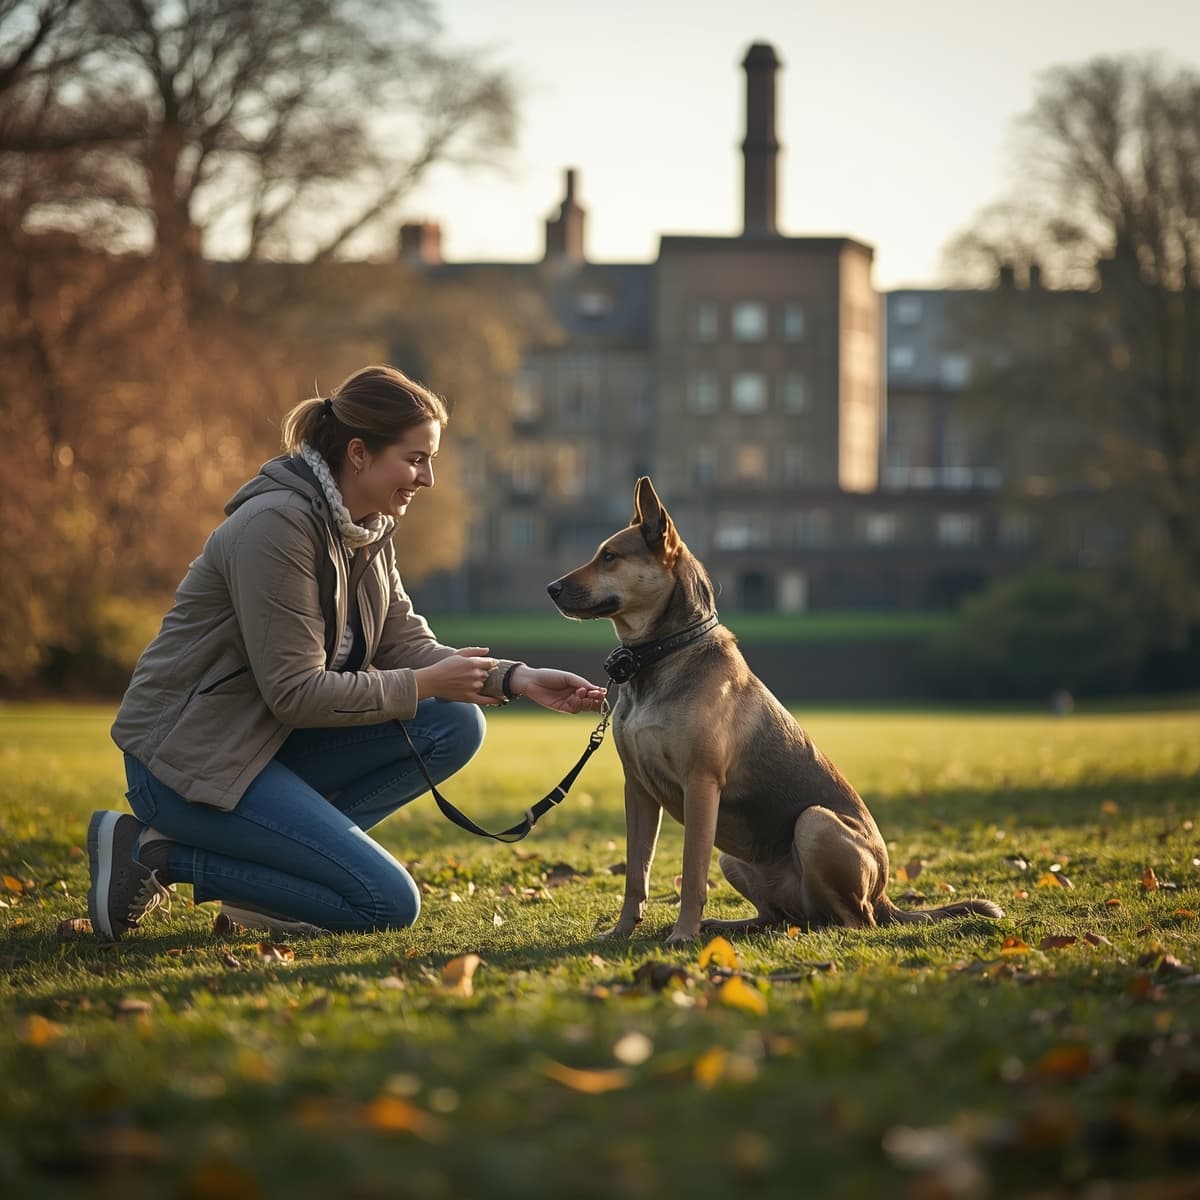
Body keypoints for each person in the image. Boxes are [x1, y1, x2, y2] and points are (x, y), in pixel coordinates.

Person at [87, 364, 606, 941]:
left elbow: (404, 643)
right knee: (384, 904)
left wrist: (516, 678)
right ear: (358, 454)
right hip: (189, 766)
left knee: (456, 723)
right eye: (415, 459)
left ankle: (274, 883)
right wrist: (426, 685)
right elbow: (294, 693)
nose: (428, 478)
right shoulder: (276, 528)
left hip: (263, 751)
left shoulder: (365, 527)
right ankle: (153, 853)